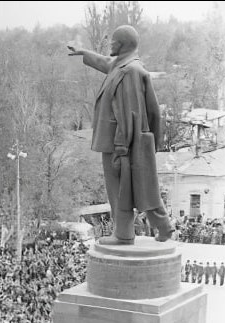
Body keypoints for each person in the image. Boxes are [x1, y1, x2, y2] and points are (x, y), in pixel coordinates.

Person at [67, 26, 172, 244]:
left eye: (113, 42)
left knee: (120, 191)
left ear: (122, 45)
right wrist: (83, 51)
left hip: (119, 144)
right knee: (143, 187)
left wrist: (122, 145)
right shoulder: (122, 65)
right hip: (121, 142)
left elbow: (130, 111)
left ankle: (123, 235)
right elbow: (104, 62)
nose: (110, 45)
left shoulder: (129, 71)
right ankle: (164, 227)